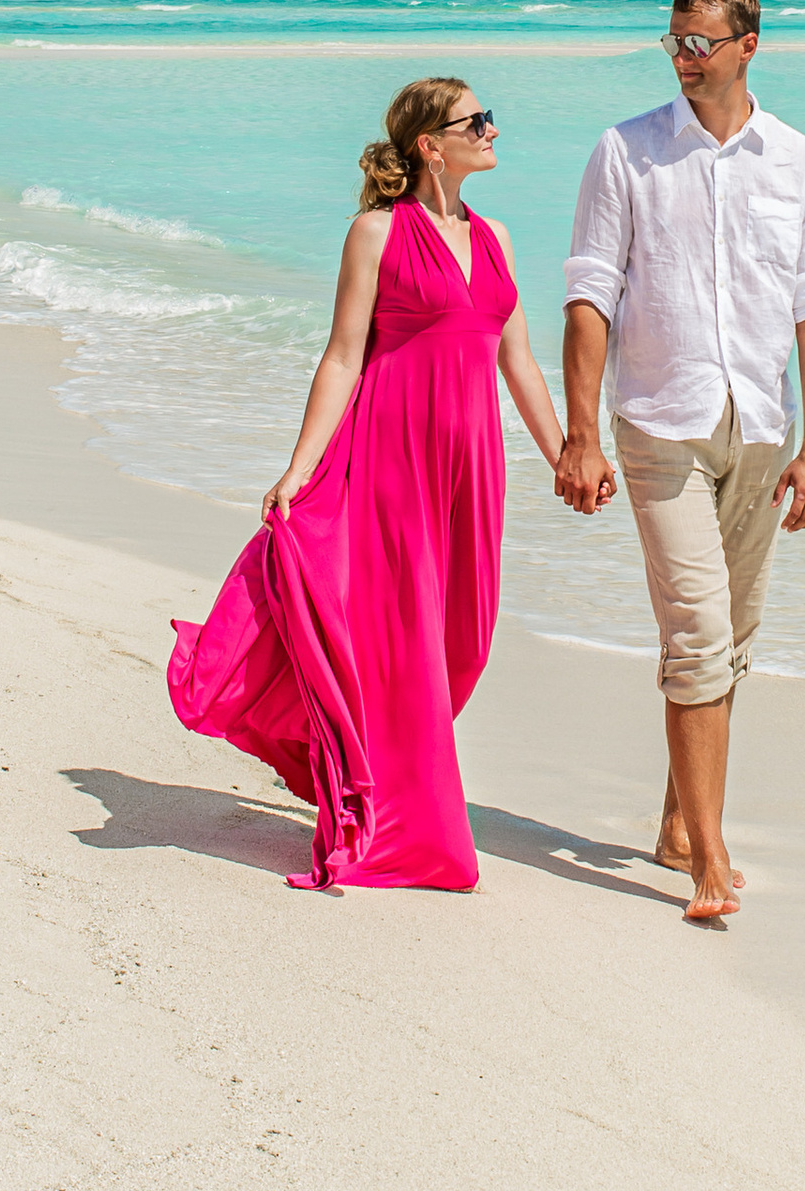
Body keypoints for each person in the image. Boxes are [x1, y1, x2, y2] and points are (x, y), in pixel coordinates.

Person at [168, 76, 572, 890]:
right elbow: (344, 356)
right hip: (387, 459)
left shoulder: (496, 238)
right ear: (432, 144)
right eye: (477, 121)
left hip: (471, 470)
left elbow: (517, 359)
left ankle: (371, 778)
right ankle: (403, 827)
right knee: (405, 644)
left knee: (462, 640)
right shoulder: (377, 233)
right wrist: (300, 466)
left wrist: (567, 453)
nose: (493, 129)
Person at [558, 0, 805, 924]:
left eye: (700, 43)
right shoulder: (627, 152)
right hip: (658, 424)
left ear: (748, 44)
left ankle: (682, 820)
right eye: (674, 42)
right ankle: (709, 861)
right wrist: (579, 432)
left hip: (760, 434)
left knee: (733, 645)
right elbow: (590, 295)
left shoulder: (801, 163)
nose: (684, 58)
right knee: (697, 635)